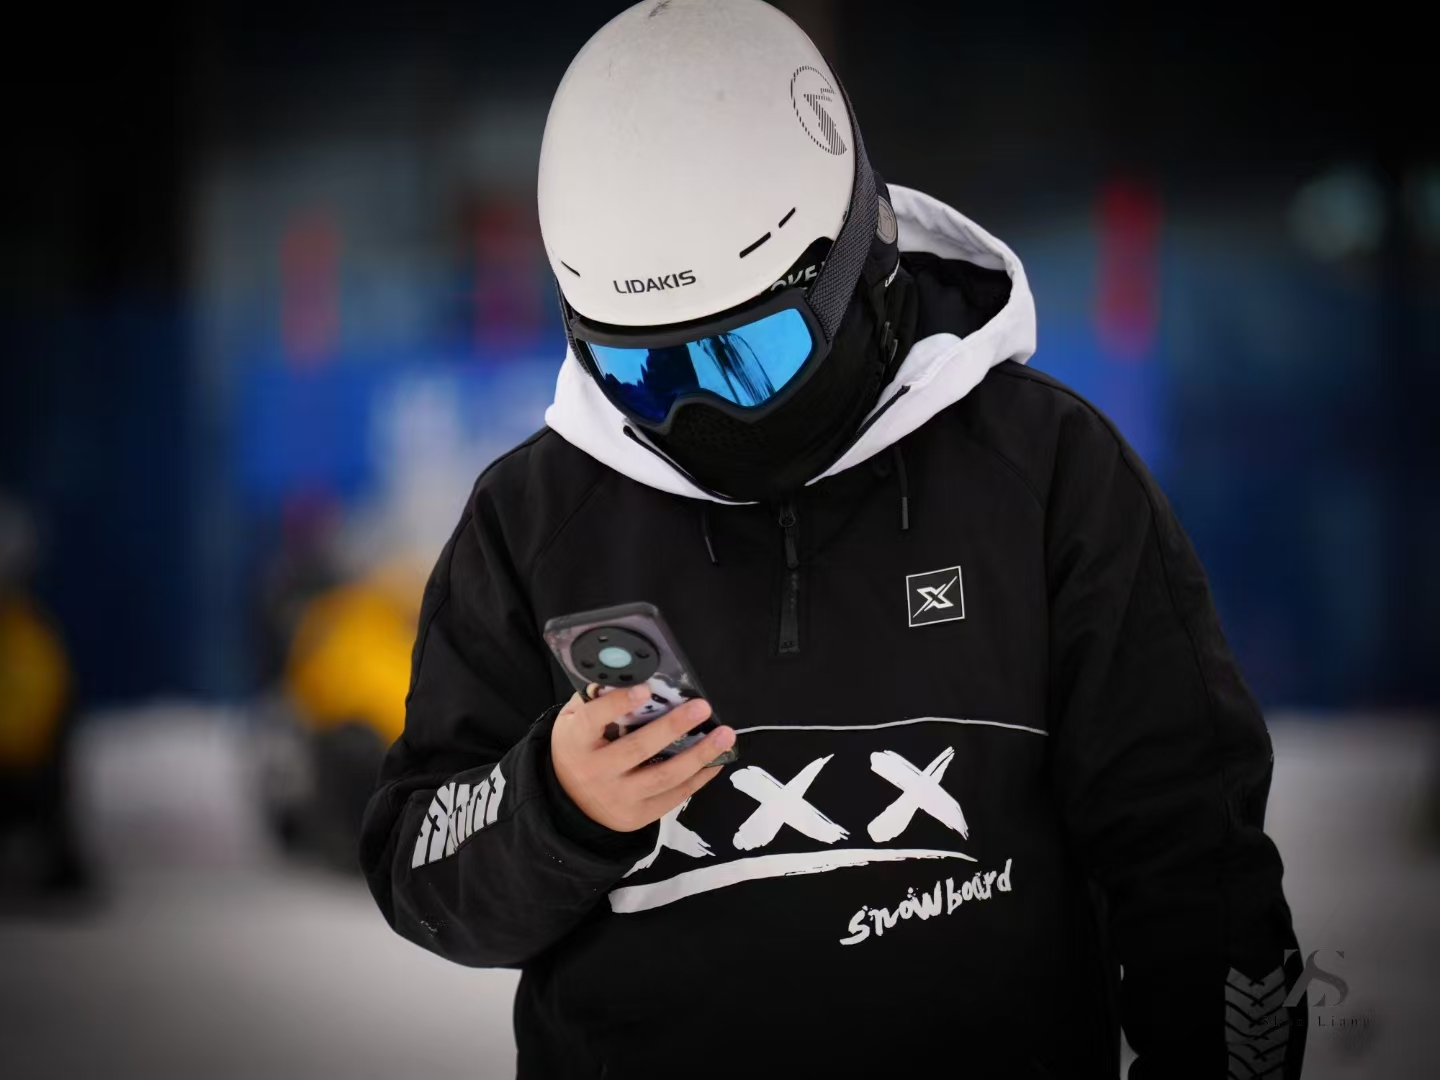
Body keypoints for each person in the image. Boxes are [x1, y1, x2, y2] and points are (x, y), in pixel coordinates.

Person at [360, 2, 1306, 1076]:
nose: (697, 418)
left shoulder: (1045, 479)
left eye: (749, 356)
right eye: (643, 371)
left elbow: (1195, 866)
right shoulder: (535, 521)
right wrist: (553, 806)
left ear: (856, 257)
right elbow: (419, 867)